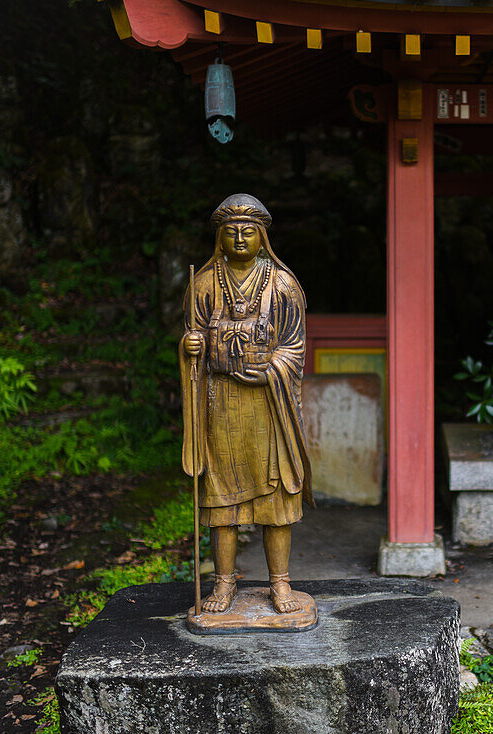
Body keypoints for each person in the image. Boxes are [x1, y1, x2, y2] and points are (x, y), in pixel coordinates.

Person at [179, 193, 312, 615]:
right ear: (219, 237)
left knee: (276, 498)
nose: (240, 238)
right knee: (222, 502)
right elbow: (191, 339)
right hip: (220, 404)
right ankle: (222, 583)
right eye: (231, 231)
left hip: (266, 404)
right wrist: (191, 346)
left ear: (262, 237)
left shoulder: (282, 284)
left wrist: (274, 365)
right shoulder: (203, 283)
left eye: (248, 231)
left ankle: (281, 583)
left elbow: (295, 346)